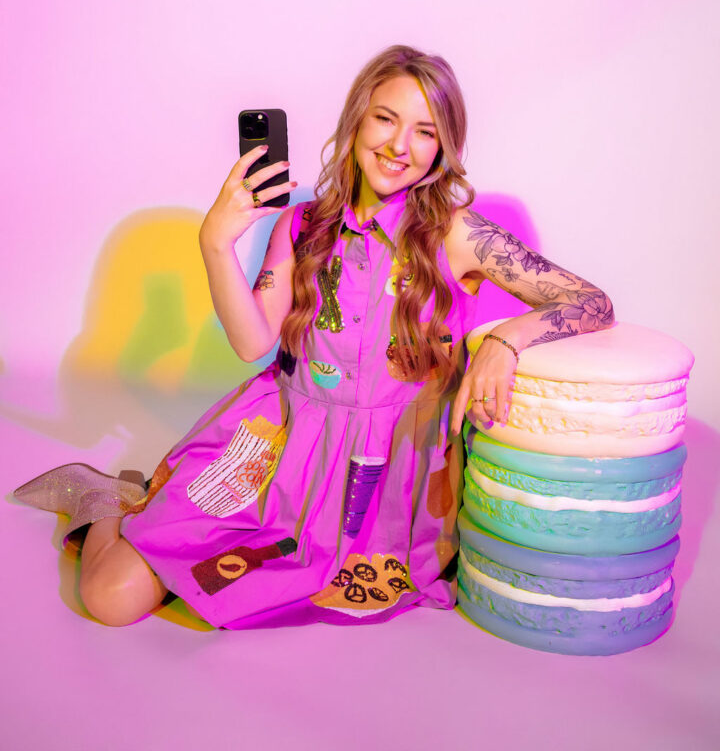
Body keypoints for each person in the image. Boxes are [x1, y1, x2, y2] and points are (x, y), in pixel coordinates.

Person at [14, 45, 614, 628]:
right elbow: (252, 344)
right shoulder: (302, 225)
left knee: (318, 577)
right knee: (110, 597)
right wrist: (215, 243)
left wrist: (507, 341)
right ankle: (102, 502)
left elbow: (592, 302)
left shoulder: (458, 235)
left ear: (444, 146)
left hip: (386, 475)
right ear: (357, 121)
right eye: (385, 119)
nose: (399, 146)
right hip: (279, 452)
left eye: (425, 131)